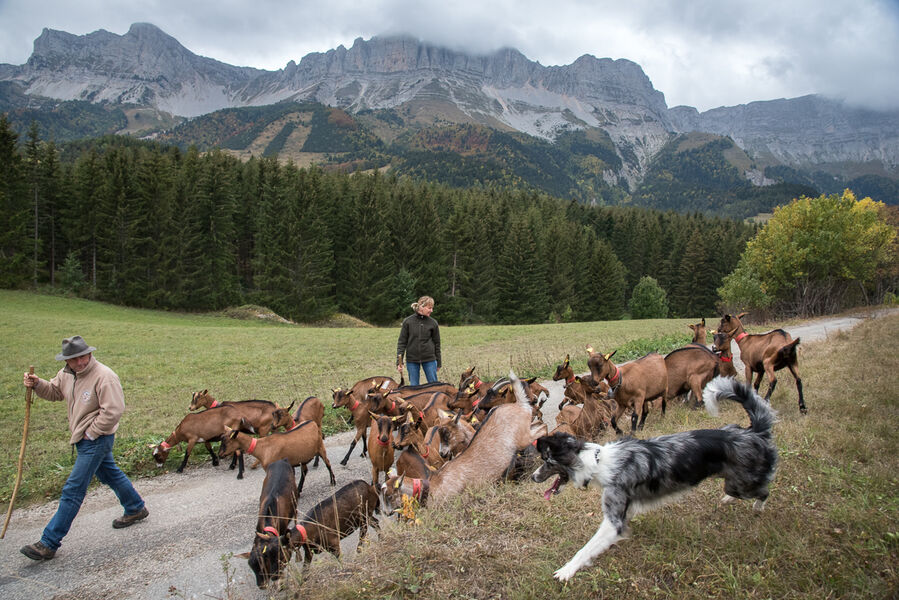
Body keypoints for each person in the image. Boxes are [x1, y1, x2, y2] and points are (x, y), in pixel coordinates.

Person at [20, 335, 148, 561]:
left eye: (83, 357)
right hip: (84, 438)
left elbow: (114, 410)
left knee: (73, 489)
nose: (80, 363)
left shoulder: (104, 376)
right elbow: (55, 393)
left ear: (89, 353)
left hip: (95, 439)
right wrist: (38, 384)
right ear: (67, 361)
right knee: (110, 474)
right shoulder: (66, 375)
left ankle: (48, 543)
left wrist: (92, 432)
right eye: (74, 359)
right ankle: (135, 507)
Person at [396, 296, 442, 386]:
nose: (431, 310)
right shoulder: (407, 322)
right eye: (429, 308)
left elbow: (437, 343)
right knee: (414, 388)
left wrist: (438, 362)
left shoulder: (433, 323)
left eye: (432, 308)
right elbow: (402, 342)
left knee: (434, 386)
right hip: (412, 360)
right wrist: (399, 362)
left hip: (430, 359)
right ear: (421, 307)